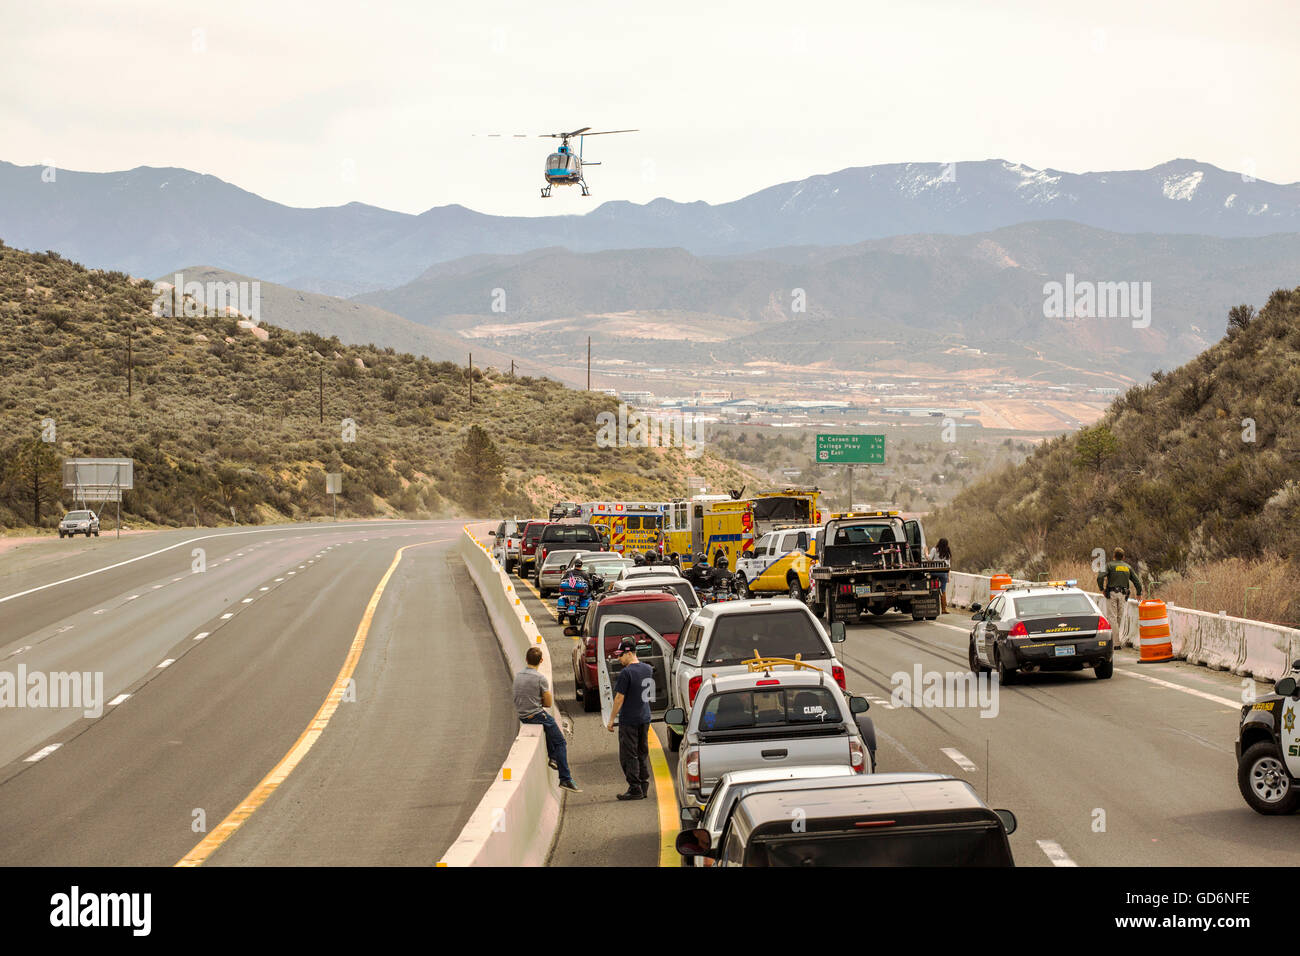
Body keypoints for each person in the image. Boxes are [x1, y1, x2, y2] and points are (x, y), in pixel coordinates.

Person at [514, 646, 580, 792]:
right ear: (541, 660)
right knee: (561, 741)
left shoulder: (518, 676)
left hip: (523, 715)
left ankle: (553, 758)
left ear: (526, 659)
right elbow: (548, 703)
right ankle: (565, 778)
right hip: (535, 714)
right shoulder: (540, 679)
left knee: (550, 728)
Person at [606, 637, 653, 800]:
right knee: (642, 752)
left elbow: (619, 698)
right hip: (644, 718)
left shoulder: (626, 673)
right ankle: (643, 784)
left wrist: (611, 719)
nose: (618, 659)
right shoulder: (648, 668)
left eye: (620, 655)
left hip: (630, 720)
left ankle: (635, 788)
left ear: (628, 653)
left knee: (629, 755)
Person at [1097, 547, 1142, 642]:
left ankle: (1115, 642)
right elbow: (1137, 581)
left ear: (1114, 556)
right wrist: (1139, 593)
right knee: (1119, 618)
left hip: (1112, 594)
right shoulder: (1127, 567)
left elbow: (1100, 577)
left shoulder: (1109, 565)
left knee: (1112, 617)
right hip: (1123, 595)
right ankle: (1116, 640)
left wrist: (1102, 589)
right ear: (1123, 557)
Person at [928, 538, 952, 614]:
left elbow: (929, 559)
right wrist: (948, 576)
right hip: (943, 573)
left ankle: (931, 606)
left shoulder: (934, 550)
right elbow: (948, 565)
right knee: (943, 590)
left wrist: (925, 552)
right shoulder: (947, 552)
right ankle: (944, 609)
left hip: (934, 573)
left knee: (931, 588)